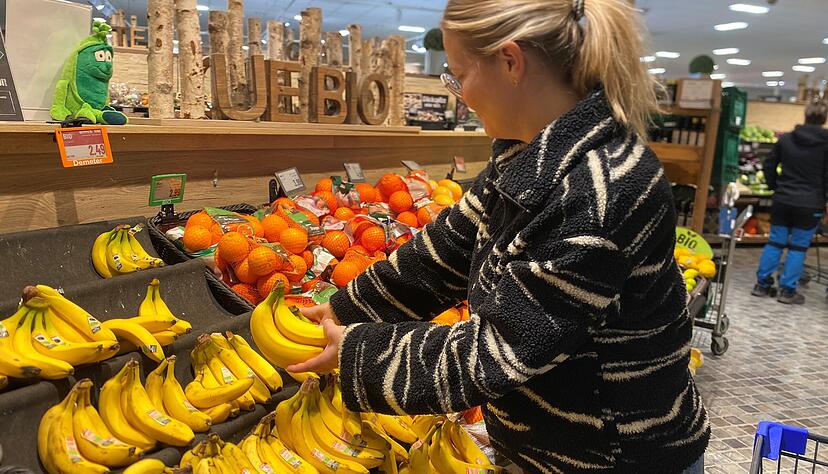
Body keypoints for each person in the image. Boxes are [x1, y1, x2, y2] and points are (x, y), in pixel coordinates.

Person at [289, 0, 709, 472]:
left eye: (458, 75)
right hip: (550, 442)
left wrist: (356, 352)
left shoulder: (602, 189)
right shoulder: (528, 151)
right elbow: (451, 245)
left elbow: (501, 347)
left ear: (510, 62)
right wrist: (347, 306)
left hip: (613, 455)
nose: (458, 94)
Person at [751, 100, 828, 304]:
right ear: (824, 118)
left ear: (805, 115)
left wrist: (775, 186)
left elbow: (769, 164)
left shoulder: (786, 140)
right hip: (810, 202)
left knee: (775, 242)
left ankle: (762, 285)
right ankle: (787, 291)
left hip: (783, 199)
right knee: (798, 247)